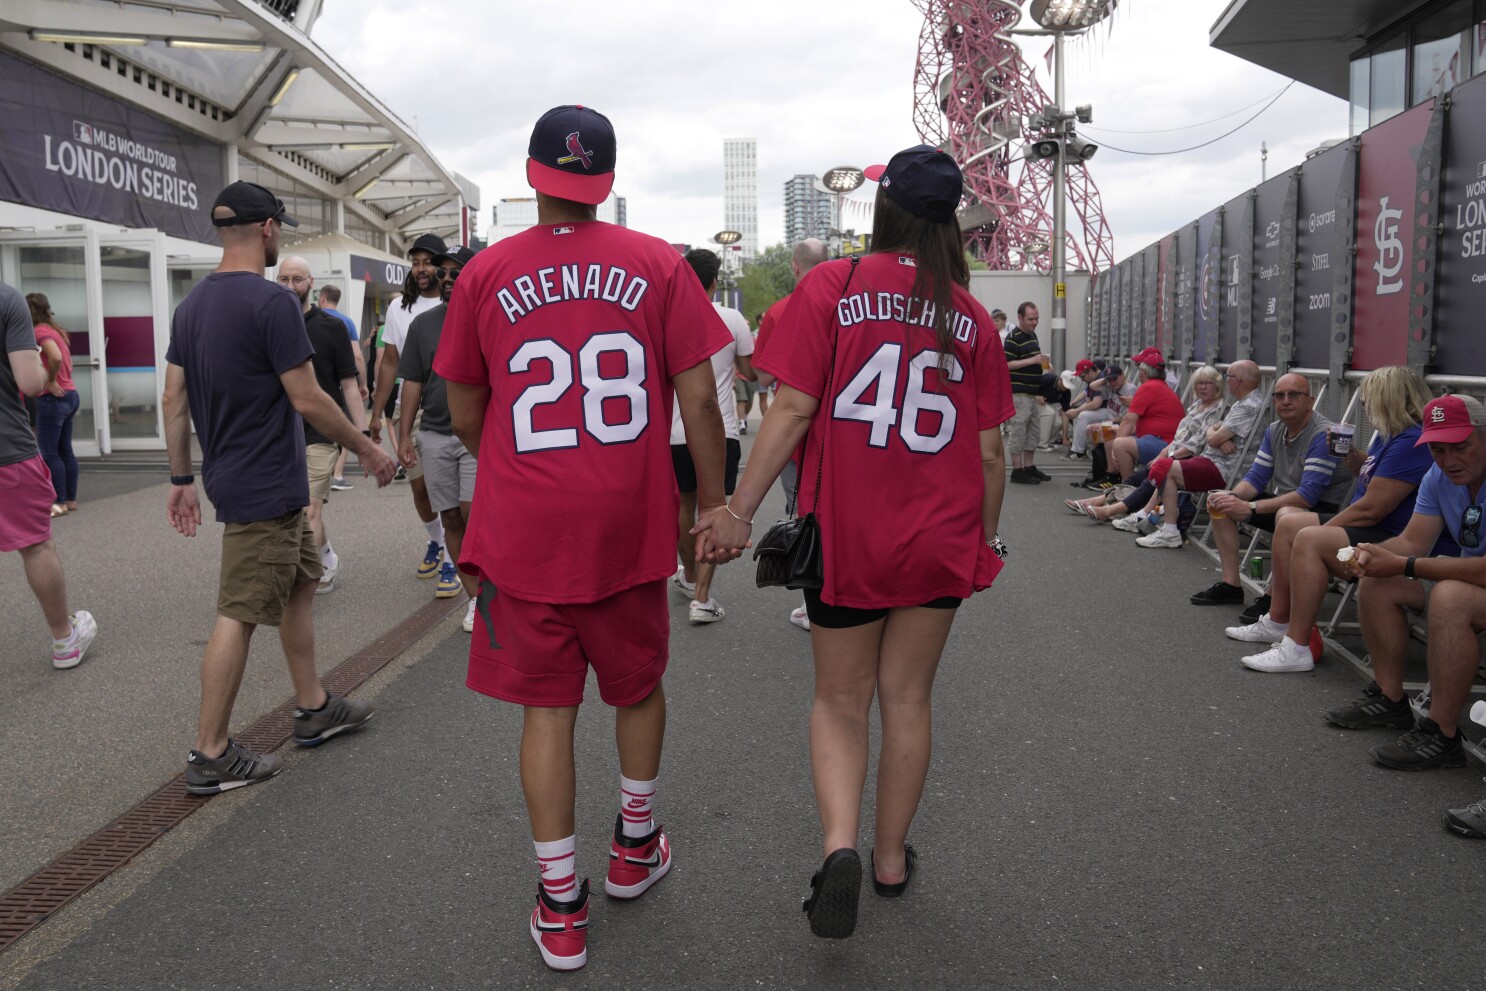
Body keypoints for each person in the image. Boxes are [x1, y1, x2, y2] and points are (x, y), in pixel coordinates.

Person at [435, 105, 732, 972]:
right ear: (603, 183)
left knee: (548, 708)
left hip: (526, 525)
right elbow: (702, 398)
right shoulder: (659, 265)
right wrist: (712, 503)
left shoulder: (485, 273)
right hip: (629, 521)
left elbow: (462, 408)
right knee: (636, 686)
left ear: (533, 176)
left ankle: (561, 901)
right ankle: (635, 847)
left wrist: (519, 465)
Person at [694, 144, 1012, 940]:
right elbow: (990, 451)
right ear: (949, 224)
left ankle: (838, 846)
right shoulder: (970, 316)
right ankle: (892, 857)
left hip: (849, 530)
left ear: (884, 212)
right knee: (909, 698)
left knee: (841, 701)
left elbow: (791, 408)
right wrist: (987, 538)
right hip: (939, 534)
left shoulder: (830, 288)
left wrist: (736, 507)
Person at [163, 181, 396, 795]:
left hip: (249, 477)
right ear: (267, 228)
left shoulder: (190, 308)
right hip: (265, 483)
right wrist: (368, 447)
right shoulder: (272, 306)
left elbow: (173, 398)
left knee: (302, 582)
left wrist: (182, 478)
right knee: (238, 613)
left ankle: (314, 706)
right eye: (280, 229)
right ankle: (210, 752)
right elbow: (308, 397)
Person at [1228, 366, 1438, 672]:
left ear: (1387, 398)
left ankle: (1297, 646)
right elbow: (1368, 475)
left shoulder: (1410, 441)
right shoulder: (1391, 434)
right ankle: (1277, 620)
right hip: (1370, 528)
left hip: (1386, 537)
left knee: (1308, 538)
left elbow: (1372, 509)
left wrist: (1325, 528)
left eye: (1368, 399)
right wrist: (1350, 455)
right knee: (1289, 524)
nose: (1364, 406)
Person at [1327, 394, 1486, 773]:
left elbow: (1416, 558)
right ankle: (1390, 697)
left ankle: (1441, 734)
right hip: (1470, 579)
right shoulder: (1438, 475)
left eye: (1461, 447)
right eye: (1438, 450)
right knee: (1381, 582)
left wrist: (1406, 563)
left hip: (1471, 582)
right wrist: (1375, 555)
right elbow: (1412, 542)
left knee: (1448, 596)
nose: (1449, 461)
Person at [1191, 372, 1350, 609]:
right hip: (1289, 505)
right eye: (1280, 395)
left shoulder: (1322, 434)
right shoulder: (1275, 429)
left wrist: (1249, 506)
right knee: (1221, 502)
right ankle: (1231, 585)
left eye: (1294, 394)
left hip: (1325, 512)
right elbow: (1256, 478)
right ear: (1274, 401)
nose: (1286, 401)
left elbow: (1308, 495)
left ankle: (1274, 598)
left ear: (1310, 401)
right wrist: (1232, 497)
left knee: (1286, 514)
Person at [1, 282, 97, 669]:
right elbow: (30, 383)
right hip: (7, 448)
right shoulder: (8, 300)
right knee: (36, 545)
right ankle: (64, 641)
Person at [369, 232, 458, 597]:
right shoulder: (399, 309)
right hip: (415, 404)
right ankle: (437, 540)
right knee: (421, 488)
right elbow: (390, 363)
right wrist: (376, 414)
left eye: (428, 263)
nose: (421, 270)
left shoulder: (458, 301)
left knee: (451, 493)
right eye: (416, 263)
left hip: (454, 403)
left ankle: (453, 560)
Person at [397, 244, 478, 631]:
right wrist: (403, 436)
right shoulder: (422, 325)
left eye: (455, 272)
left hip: (477, 436)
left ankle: (497, 591)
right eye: (441, 272)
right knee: (451, 520)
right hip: (433, 435)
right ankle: (477, 601)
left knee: (472, 515)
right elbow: (411, 382)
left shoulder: (489, 317)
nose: (446, 279)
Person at [671, 247, 754, 625]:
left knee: (683, 507)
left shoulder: (665, 317)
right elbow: (749, 372)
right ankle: (701, 597)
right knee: (715, 509)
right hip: (720, 430)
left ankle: (688, 576)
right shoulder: (732, 319)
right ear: (715, 281)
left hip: (673, 432)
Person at [275, 256, 364, 595]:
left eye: (296, 279)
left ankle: (304, 578)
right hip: (279, 434)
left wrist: (362, 441)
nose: (289, 286)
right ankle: (325, 556)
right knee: (290, 511)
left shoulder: (332, 327)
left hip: (320, 434)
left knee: (309, 506)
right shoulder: (268, 323)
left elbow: (348, 386)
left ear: (311, 282)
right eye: (283, 279)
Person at [755, 238, 830, 631]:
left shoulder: (781, 310)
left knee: (805, 514)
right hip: (844, 429)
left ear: (796, 268)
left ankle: (814, 600)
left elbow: (763, 375)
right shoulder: (854, 305)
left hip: (796, 432)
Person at [1069, 364, 1227, 531]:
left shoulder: (1218, 408)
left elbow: (1196, 443)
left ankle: (1113, 509)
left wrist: (1168, 455)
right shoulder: (1196, 405)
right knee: (1141, 475)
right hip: (1169, 447)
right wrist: (1163, 453)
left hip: (1189, 456)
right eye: (1198, 383)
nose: (1202, 387)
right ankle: (1102, 501)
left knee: (1141, 462)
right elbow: (1180, 436)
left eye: (1207, 383)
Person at [1126, 359, 1264, 547]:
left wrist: (1214, 435)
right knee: (1162, 467)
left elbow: (1213, 438)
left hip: (1226, 469)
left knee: (1164, 467)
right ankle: (1165, 526)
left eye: (1228, 376)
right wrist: (1216, 435)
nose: (1226, 380)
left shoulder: (1249, 405)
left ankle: (1166, 528)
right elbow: (1215, 434)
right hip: (1214, 460)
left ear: (1237, 380)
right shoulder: (1242, 403)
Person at [28, 293, 80, 516]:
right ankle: (69, 499)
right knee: (64, 450)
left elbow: (56, 357)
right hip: (70, 395)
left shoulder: (39, 332)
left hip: (53, 398)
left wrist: (50, 381)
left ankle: (57, 503)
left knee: (49, 452)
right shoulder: (56, 331)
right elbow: (65, 360)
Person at [315, 283, 368, 491]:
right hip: (339, 382)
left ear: (322, 298)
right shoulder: (346, 322)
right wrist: (362, 383)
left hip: (315, 380)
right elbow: (357, 356)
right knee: (344, 425)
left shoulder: (312, 318)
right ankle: (337, 474)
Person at [1105, 347, 1184, 482]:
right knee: (1114, 436)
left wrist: (1114, 449)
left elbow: (1128, 421)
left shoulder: (1148, 387)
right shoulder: (1159, 386)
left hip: (1164, 443)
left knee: (1119, 444)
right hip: (1164, 440)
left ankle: (1127, 487)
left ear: (1143, 372)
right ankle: (1113, 479)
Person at [1003, 301, 1047, 484]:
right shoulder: (1013, 338)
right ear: (1020, 317)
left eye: (1037, 318)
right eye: (1031, 319)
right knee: (1019, 430)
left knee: (1033, 431)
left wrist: (1043, 363)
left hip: (1031, 392)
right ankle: (1017, 470)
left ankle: (1028, 466)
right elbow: (1006, 364)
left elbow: (1034, 359)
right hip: (1019, 393)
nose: (1035, 322)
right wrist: (1033, 360)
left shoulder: (1032, 335)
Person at [1061, 359, 1104, 459]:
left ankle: (1078, 451)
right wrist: (1075, 409)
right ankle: (1080, 448)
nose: (1082, 379)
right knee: (1080, 414)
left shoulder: (1100, 379)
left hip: (1110, 410)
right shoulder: (1091, 381)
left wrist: (1076, 411)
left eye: (1082, 376)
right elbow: (1088, 402)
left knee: (1083, 415)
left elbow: (1096, 404)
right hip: (1103, 409)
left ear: (1090, 371)